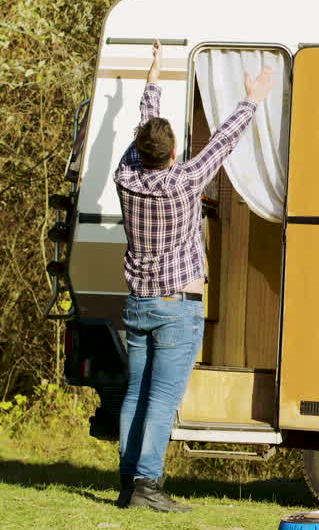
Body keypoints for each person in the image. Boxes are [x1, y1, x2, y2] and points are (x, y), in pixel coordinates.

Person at [114, 40, 275, 512]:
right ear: (173, 151)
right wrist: (253, 97)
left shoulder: (126, 177)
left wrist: (154, 80)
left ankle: (129, 481)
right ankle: (147, 485)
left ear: (141, 150)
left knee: (135, 395)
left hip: (138, 303)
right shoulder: (183, 181)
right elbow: (224, 141)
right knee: (162, 399)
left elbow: (142, 134)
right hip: (176, 307)